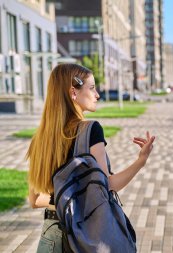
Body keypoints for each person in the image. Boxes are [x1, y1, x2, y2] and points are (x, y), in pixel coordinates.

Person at [27, 63, 155, 253]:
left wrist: (65, 200)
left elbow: (35, 199)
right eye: (92, 88)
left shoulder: (41, 138)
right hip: (85, 236)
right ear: (73, 92)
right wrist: (141, 161)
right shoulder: (91, 130)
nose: (97, 95)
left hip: (51, 237)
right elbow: (107, 185)